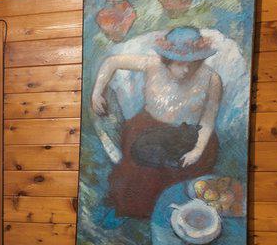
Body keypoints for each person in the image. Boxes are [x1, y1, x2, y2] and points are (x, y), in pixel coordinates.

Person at [89, 24, 223, 219]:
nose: (186, 69)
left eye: (193, 63)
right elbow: (112, 62)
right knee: (139, 171)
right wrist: (96, 92)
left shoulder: (212, 79)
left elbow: (208, 120)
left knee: (183, 175)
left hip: (191, 135)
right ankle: (133, 212)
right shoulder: (152, 64)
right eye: (179, 63)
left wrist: (197, 150)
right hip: (148, 128)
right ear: (167, 59)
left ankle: (177, 216)